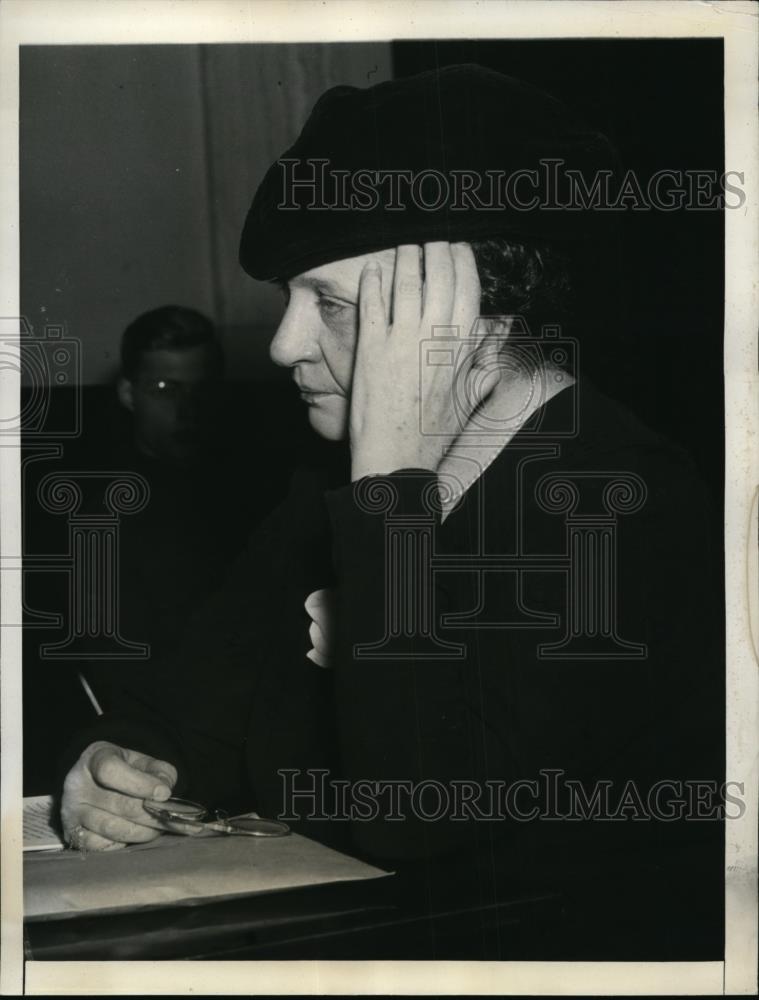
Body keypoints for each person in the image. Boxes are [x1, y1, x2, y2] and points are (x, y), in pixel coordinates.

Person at [56, 66, 723, 957]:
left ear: (476, 321)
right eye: (290, 299)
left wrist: (388, 490)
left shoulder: (625, 505)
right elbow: (188, 710)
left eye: (330, 303)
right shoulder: (312, 490)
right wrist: (119, 764)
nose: (287, 342)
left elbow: (419, 812)